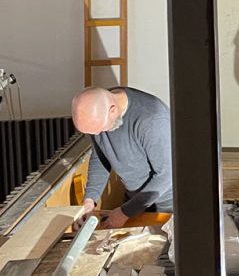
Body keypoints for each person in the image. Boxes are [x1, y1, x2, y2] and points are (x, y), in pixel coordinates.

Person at [71, 86, 173, 229]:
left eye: (100, 130)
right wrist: (90, 199)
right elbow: (101, 156)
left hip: (166, 205)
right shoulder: (101, 110)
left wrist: (125, 212)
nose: (98, 135)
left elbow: (166, 175)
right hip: (134, 201)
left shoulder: (152, 120)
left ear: (112, 110)